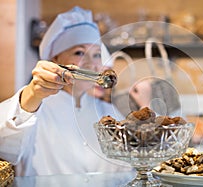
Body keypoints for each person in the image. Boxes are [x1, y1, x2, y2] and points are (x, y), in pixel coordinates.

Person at [0, 6, 131, 176]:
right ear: (56, 59)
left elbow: (129, 167)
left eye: (97, 54)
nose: (91, 63)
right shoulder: (35, 107)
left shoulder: (107, 112)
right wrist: (32, 94)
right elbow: (5, 147)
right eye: (79, 53)